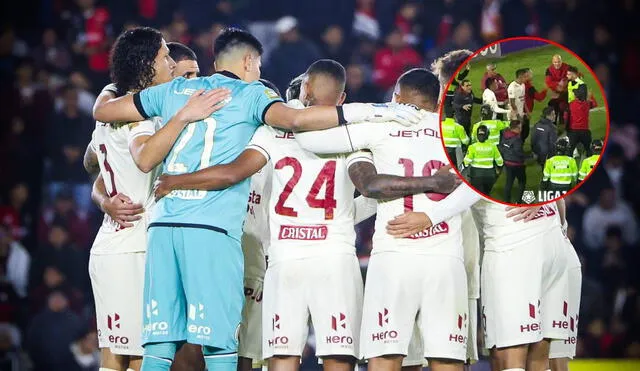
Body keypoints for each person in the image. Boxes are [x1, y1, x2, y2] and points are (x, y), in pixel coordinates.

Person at [92, 27, 421, 371]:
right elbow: (295, 119)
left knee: (158, 346)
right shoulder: (251, 95)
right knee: (219, 345)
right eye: (260, 65)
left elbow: (105, 113)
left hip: (162, 225)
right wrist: (373, 110)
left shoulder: (175, 90)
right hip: (212, 227)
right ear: (249, 61)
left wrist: (114, 91)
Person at [151, 63, 456, 371]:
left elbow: (233, 173)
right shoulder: (353, 135)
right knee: (339, 359)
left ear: (305, 89)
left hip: (285, 260)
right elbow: (371, 190)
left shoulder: (273, 132)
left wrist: (176, 181)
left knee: (281, 359)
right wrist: (344, 217)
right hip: (335, 259)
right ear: (342, 99)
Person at [294, 69, 471, 371]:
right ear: (437, 99)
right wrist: (431, 215)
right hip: (445, 258)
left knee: (384, 357)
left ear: (398, 98)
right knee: (447, 358)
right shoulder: (456, 131)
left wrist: (373, 113)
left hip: (393, 256)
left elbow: (311, 140)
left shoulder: (381, 127)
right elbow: (483, 183)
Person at [464, 124, 503, 195]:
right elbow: (500, 162)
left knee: (476, 194)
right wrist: (499, 169)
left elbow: (466, 162)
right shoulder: (493, 146)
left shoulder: (472, 147)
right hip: (490, 175)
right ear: (487, 135)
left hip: (476, 175)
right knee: (486, 193)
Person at [566, 66, 595, 158]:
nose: (566, 76)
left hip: (574, 124)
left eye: (569, 74)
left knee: (570, 147)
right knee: (588, 148)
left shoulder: (581, 85)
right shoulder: (587, 104)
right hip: (584, 128)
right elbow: (592, 104)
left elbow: (582, 98)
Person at [499, 120, 526, 203]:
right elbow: (519, 153)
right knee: (522, 181)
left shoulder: (504, 135)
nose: (521, 129)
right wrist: (529, 157)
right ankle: (518, 202)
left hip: (507, 163)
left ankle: (506, 201)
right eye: (520, 128)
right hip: (517, 164)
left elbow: (501, 147)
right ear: (517, 128)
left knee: (509, 182)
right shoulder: (517, 139)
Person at [441, 104, 469, 168]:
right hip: (455, 152)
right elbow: (466, 141)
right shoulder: (459, 127)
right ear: (454, 115)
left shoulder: (440, 125)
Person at [545, 54, 569, 126]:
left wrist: (564, 83)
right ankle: (554, 123)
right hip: (555, 92)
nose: (557, 64)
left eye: (559, 62)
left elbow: (572, 77)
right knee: (553, 105)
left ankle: (563, 123)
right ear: (552, 62)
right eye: (555, 62)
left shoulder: (567, 67)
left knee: (562, 106)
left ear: (561, 61)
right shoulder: (549, 70)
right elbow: (548, 82)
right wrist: (558, 84)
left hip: (566, 92)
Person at [507, 68, 530, 140]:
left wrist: (527, 111)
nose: (527, 78)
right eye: (525, 76)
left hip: (521, 113)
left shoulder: (523, 85)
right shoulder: (512, 87)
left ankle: (520, 147)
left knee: (523, 132)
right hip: (514, 115)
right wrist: (518, 116)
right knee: (515, 133)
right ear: (520, 77)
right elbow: (512, 103)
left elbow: (523, 99)